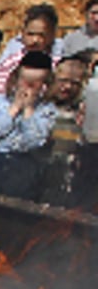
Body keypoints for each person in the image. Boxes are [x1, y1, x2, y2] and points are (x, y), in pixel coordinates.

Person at [0, 51, 57, 199]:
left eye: (35, 83)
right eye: (25, 81)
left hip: (25, 166)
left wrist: (28, 111)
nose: (28, 87)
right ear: (16, 79)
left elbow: (35, 142)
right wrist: (13, 109)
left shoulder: (47, 109)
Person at [37, 53, 88, 205]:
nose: (67, 87)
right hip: (36, 177)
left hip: (65, 183)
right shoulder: (37, 106)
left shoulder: (82, 112)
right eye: (63, 81)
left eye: (75, 83)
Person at [0, 4, 63, 96]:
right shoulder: (11, 62)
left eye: (41, 35)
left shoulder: (57, 62)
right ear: (23, 33)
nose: (35, 40)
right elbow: (0, 92)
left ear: (52, 35)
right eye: (30, 34)